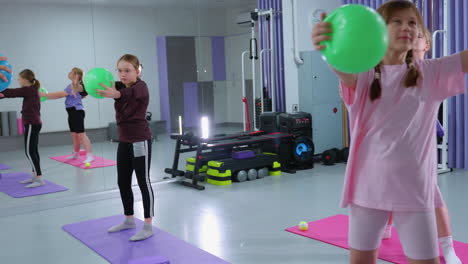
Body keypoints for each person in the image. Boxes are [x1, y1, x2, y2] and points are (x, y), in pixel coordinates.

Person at [311, 1, 468, 263]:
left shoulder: (430, 74)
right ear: (378, 29)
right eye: (397, 21)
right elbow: (338, 65)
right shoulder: (361, 76)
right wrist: (324, 44)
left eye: (412, 22)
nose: (406, 27)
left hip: (414, 192)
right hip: (368, 190)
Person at [383, 27, 462, 264]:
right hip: (395, 142)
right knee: (389, 188)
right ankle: (385, 228)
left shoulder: (432, 71)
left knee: (433, 197)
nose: (410, 40)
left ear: (427, 45)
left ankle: (448, 248)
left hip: (421, 145)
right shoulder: (396, 70)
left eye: (417, 37)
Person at [98, 54, 154, 242]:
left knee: (143, 182)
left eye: (127, 70)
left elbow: (128, 94)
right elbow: (100, 87)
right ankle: (129, 220)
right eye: (120, 70)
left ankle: (148, 225)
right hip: (124, 141)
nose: (122, 74)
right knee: (123, 181)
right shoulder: (120, 86)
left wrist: (117, 94)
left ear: (137, 71)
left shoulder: (141, 87)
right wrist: (80, 88)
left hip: (140, 140)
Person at [0, 69, 45, 188]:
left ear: (25, 80)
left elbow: (14, 92)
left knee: (29, 152)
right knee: (33, 150)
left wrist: (2, 93)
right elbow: (13, 92)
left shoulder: (29, 90)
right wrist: (2, 94)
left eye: (19, 79)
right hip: (34, 123)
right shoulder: (32, 90)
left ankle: (39, 178)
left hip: (31, 123)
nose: (18, 81)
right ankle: (35, 176)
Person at [40, 68, 94, 164]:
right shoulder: (72, 86)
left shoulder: (76, 86)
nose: (68, 73)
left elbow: (60, 94)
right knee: (74, 135)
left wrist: (44, 95)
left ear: (76, 75)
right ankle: (75, 153)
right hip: (71, 112)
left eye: (71, 72)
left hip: (77, 112)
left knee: (81, 134)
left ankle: (90, 155)